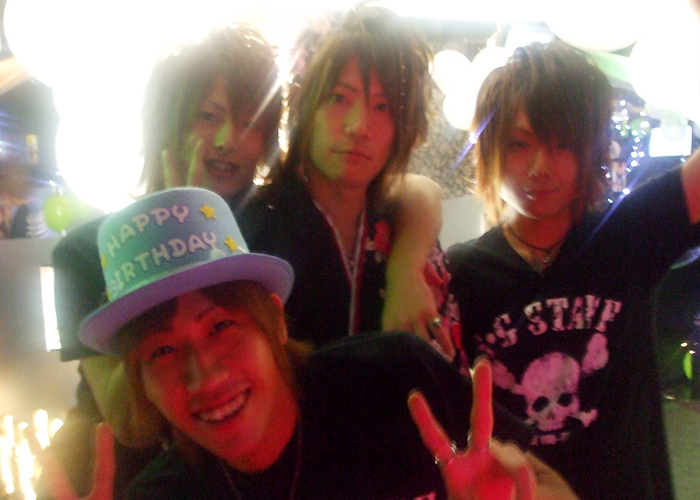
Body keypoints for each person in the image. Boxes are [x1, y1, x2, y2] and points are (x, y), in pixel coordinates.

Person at [43, 17, 449, 497]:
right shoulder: (85, 251)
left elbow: (415, 189)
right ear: (166, 120)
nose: (228, 140)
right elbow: (134, 424)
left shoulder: (254, 232)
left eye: (251, 123)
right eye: (208, 116)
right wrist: (173, 228)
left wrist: (406, 265)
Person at [35, 186, 579, 500]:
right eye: (162, 352)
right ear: (142, 384)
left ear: (274, 323)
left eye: (221, 326)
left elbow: (549, 486)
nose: (205, 376)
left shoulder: (395, 380)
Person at [446, 38, 700, 499]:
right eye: (520, 144)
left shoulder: (628, 233)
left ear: (590, 150)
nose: (540, 167)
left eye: (561, 145)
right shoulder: (462, 273)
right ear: (490, 147)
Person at [238, 4, 463, 365]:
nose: (359, 126)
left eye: (383, 107)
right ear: (303, 102)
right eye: (339, 98)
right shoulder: (254, 232)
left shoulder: (403, 225)